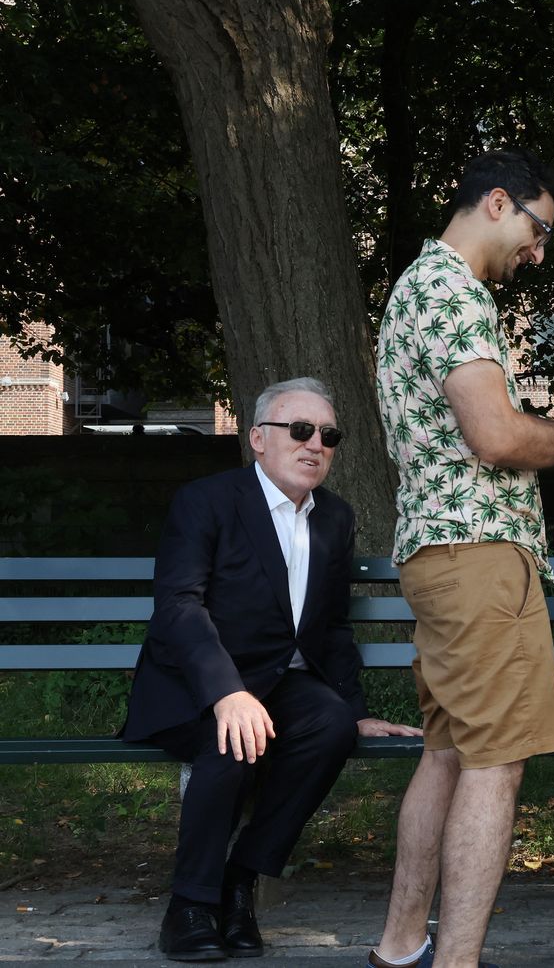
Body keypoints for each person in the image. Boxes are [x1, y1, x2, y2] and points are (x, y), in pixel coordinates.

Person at [370, 149, 554, 968]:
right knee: (494, 767)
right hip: (478, 558)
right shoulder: (454, 293)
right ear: (498, 203)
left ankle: (398, 949)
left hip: (440, 556)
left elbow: (480, 427)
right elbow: (496, 438)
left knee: (449, 753)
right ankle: (453, 962)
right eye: (538, 232)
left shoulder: (415, 289)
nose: (538, 254)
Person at [122, 377, 420, 961]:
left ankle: (240, 881)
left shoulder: (334, 516)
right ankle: (190, 905)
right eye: (300, 430)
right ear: (258, 438)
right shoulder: (207, 500)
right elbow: (179, 605)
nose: (315, 444)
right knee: (234, 736)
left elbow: (331, 624)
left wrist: (356, 712)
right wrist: (226, 692)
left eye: (328, 435)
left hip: (281, 686)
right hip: (193, 687)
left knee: (330, 726)